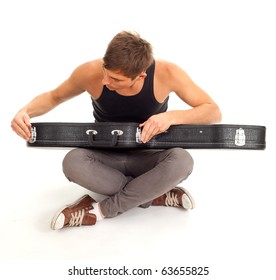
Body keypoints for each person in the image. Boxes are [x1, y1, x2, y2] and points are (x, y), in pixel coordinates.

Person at [11, 31, 222, 230]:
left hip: (149, 160)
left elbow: (213, 112)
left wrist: (171, 117)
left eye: (116, 80)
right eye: (106, 73)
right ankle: (152, 193)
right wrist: (25, 111)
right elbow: (54, 96)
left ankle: (98, 211)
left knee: (182, 160)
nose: (105, 81)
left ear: (141, 76)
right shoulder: (89, 72)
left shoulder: (168, 73)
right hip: (105, 158)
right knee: (72, 162)